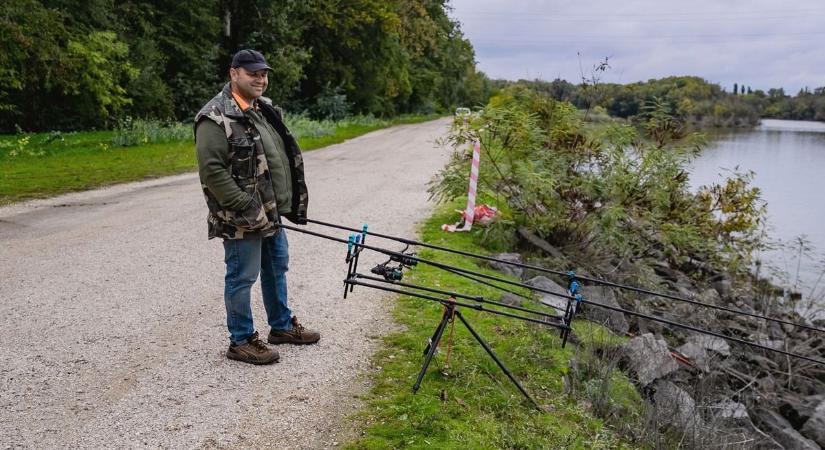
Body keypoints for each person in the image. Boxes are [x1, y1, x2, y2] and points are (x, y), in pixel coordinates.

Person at [194, 49, 319, 365]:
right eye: (253, 73)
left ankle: (280, 326)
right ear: (233, 73)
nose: (260, 79)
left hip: (271, 211)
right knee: (242, 277)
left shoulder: (263, 110)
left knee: (276, 266)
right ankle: (241, 340)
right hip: (242, 217)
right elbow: (212, 171)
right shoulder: (214, 116)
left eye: (263, 73)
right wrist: (246, 206)